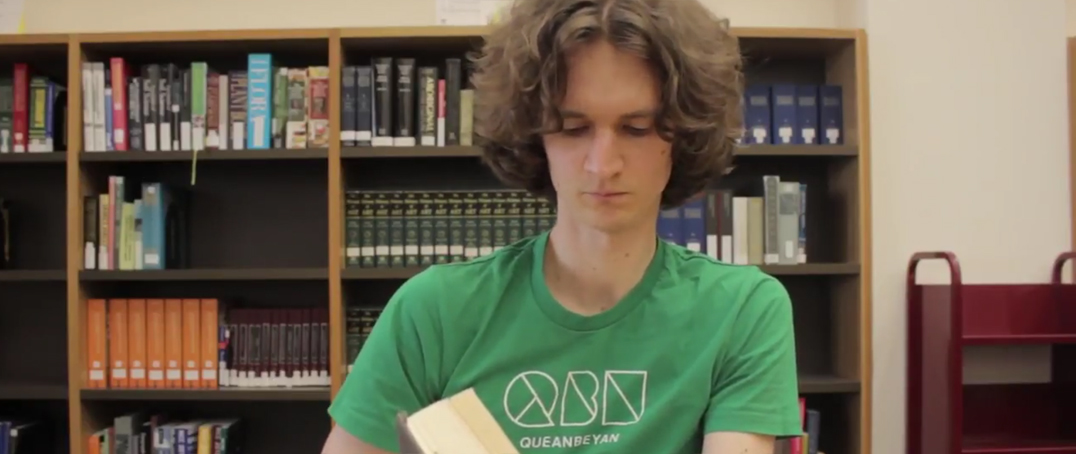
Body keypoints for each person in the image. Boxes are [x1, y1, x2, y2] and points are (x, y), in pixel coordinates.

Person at [321, 0, 802, 452]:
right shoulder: (433, 312)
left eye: (636, 128)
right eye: (574, 129)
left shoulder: (743, 310)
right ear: (536, 138)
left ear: (684, 138)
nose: (602, 164)